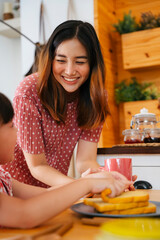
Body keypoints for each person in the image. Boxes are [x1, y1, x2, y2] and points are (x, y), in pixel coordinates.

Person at [2, 20, 127, 188]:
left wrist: (109, 178)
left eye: (80, 62)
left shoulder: (96, 96)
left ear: (92, 64)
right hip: (14, 190)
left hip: (54, 189)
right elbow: (37, 166)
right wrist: (82, 187)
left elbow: (85, 160)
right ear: (51, 59)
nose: (69, 71)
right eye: (61, 60)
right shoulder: (29, 91)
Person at [0, 92, 132, 228]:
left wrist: (89, 183)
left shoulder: (3, 178)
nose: (17, 131)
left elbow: (45, 195)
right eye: (11, 126)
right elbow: (24, 215)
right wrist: (87, 184)